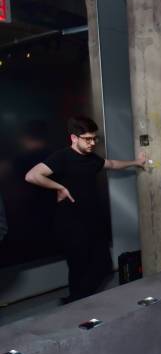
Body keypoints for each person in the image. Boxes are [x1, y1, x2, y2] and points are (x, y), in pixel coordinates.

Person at [25, 115, 145, 302]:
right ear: (74, 138)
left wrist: (136, 162)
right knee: (78, 266)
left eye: (94, 138)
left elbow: (111, 164)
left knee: (103, 266)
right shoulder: (62, 157)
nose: (92, 143)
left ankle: (78, 299)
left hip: (93, 221)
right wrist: (59, 187)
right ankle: (77, 302)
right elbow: (32, 175)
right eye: (87, 139)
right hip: (71, 224)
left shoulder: (92, 159)